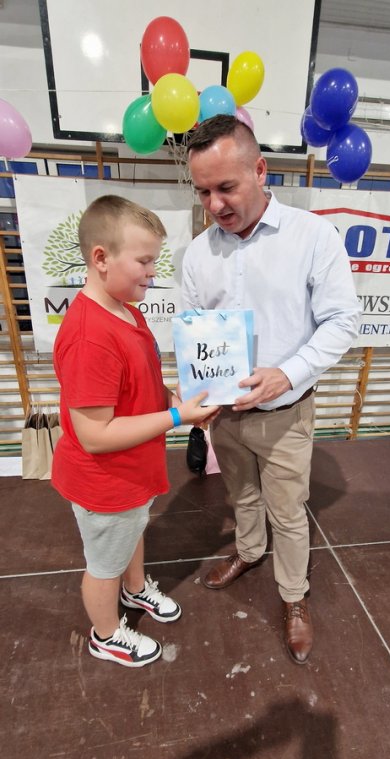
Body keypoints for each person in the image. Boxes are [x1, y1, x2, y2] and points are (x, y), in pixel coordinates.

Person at [182, 115, 361, 665]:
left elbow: (342, 321)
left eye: (226, 187)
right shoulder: (196, 254)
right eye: (203, 191)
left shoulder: (313, 238)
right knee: (242, 498)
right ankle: (249, 552)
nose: (214, 204)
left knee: (289, 509)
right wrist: (197, 392)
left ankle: (294, 597)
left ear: (260, 171)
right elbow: (193, 327)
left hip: (286, 413)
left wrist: (288, 372)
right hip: (227, 416)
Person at [52, 195, 216, 668]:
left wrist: (170, 400)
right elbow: (94, 435)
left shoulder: (127, 310)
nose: (152, 271)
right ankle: (106, 635)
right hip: (104, 481)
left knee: (133, 532)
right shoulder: (90, 336)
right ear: (101, 258)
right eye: (144, 261)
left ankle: (137, 588)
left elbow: (140, 382)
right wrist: (177, 418)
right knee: (103, 566)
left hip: (131, 475)